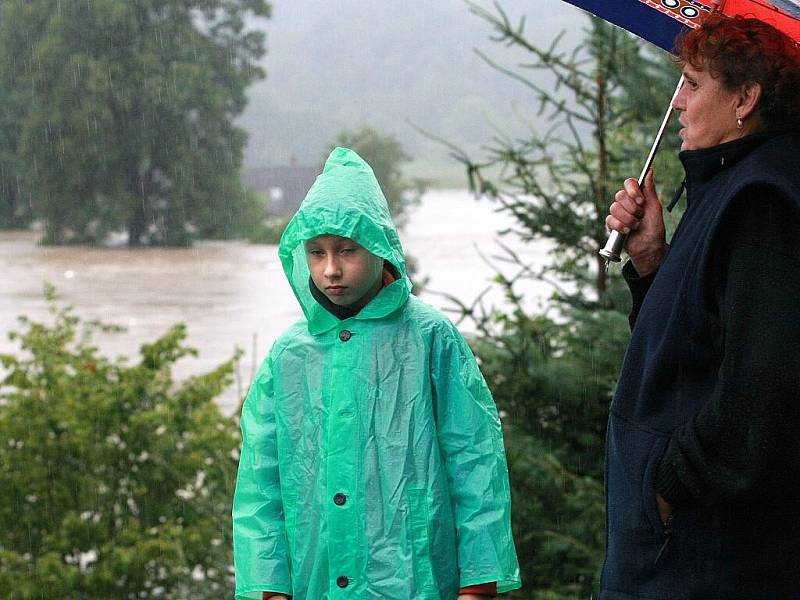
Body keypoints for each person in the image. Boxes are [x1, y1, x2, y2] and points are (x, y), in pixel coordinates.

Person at [232, 147, 521, 599]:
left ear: (380, 248)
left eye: (347, 250)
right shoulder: (289, 356)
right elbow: (259, 482)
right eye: (317, 252)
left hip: (418, 581)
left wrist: (478, 583)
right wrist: (268, 586)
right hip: (315, 583)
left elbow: (475, 461)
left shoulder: (430, 338)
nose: (330, 269)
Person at [600, 14, 800, 600]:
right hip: (682, 550)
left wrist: (669, 481)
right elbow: (692, 350)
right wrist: (651, 262)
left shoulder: (764, 202)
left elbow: (766, 386)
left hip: (708, 557)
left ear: (745, 98)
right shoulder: (730, 187)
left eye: (692, 83)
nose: (680, 103)